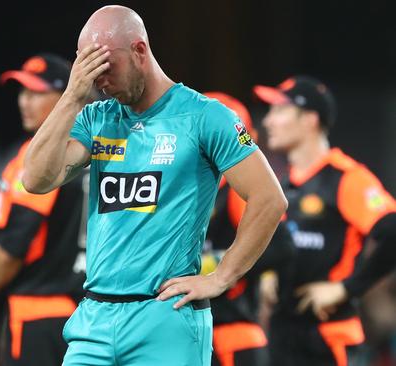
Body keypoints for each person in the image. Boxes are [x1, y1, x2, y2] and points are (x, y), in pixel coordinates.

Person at [22, 5, 287, 365]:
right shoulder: (97, 118)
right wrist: (72, 96)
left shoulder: (204, 116)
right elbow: (35, 180)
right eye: (90, 69)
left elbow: (269, 198)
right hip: (93, 320)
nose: (100, 81)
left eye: (107, 67)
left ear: (139, 51)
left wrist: (222, 277)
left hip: (165, 318)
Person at [254, 75, 396, 366]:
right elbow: (283, 244)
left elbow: (392, 230)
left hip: (328, 340)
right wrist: (269, 273)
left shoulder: (344, 177)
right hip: (283, 338)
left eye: (279, 110)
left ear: (309, 120)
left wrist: (346, 288)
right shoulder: (283, 185)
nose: (268, 121)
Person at [0, 53, 88, 366]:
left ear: (66, 97)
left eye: (36, 93)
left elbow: (13, 245)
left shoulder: (37, 159)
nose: (24, 102)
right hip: (89, 316)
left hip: (37, 314)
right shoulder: (95, 152)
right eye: (22, 92)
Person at [201, 92, 295, 366]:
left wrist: (215, 264)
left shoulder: (238, 191)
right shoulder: (181, 189)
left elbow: (281, 246)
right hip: (188, 332)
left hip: (230, 332)